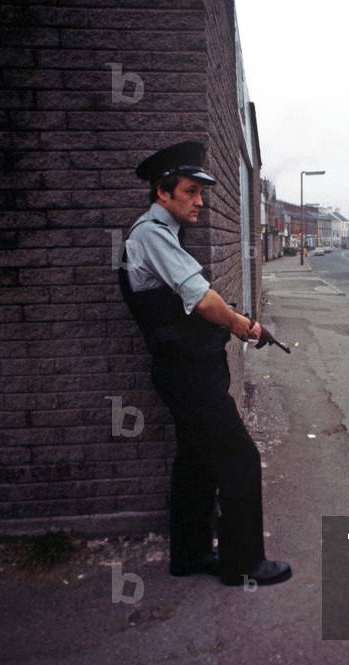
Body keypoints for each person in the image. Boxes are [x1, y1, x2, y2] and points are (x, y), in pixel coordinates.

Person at [117, 140, 291, 587]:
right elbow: (203, 300)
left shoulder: (160, 234)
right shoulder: (152, 234)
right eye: (191, 191)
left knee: (195, 460)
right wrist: (244, 325)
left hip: (185, 371)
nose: (200, 201)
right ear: (163, 192)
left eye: (200, 192)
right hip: (188, 374)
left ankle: (191, 555)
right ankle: (244, 563)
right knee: (239, 458)